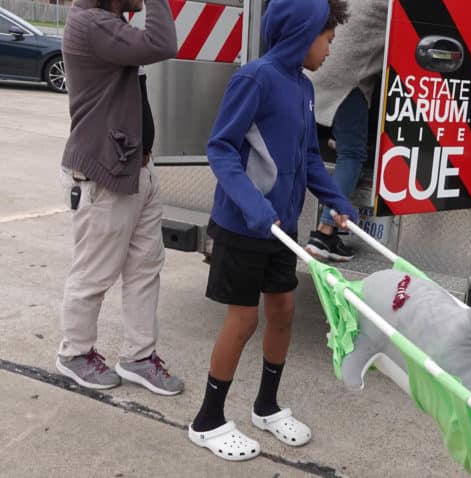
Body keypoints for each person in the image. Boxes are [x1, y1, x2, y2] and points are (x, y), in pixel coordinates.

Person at [187, 0, 356, 462]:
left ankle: (266, 406)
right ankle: (208, 420)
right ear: (303, 34)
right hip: (244, 226)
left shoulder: (302, 87)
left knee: (282, 310)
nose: (329, 48)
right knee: (242, 321)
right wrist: (253, 206)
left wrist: (337, 200)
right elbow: (220, 148)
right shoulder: (255, 79)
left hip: (281, 228)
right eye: (327, 38)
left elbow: (305, 157)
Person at [56, 0, 183, 395]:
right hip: (103, 173)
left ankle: (138, 357)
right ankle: (74, 353)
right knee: (94, 271)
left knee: (146, 267)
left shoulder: (110, 22)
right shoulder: (92, 23)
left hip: (135, 168)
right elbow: (163, 42)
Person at [303, 0, 387, 262]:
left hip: (314, 69)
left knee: (305, 146)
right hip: (347, 81)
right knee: (352, 155)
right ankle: (325, 233)